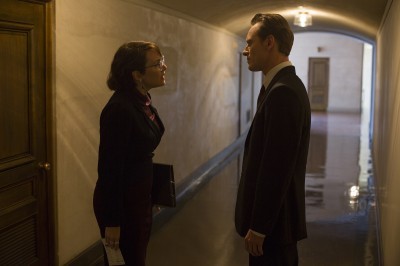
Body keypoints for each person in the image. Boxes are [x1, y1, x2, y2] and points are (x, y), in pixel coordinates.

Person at [234, 14, 311, 266]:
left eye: (250, 43)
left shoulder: (284, 92)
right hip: (275, 225)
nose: (246, 51)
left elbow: (276, 168)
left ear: (269, 42)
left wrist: (259, 227)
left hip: (275, 227)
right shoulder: (279, 85)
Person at [93, 41, 167, 266]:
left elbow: (138, 155)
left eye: (163, 61)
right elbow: (110, 170)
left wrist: (151, 194)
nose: (164, 67)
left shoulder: (141, 101)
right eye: (158, 63)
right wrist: (113, 222)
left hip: (138, 200)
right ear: (137, 74)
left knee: (136, 258)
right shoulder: (120, 109)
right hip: (122, 207)